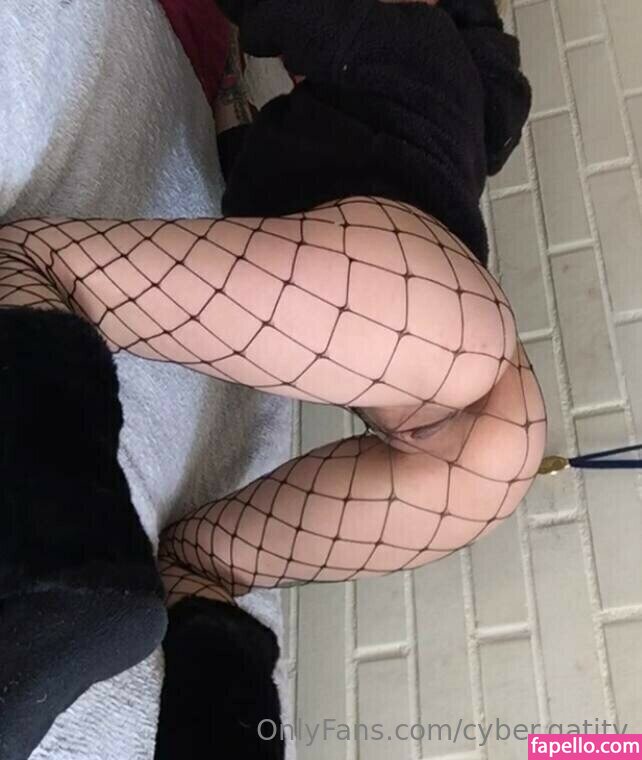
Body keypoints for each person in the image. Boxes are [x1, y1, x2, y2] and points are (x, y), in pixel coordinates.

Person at [0, 0, 544, 757]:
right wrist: (233, 105)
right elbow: (277, 217)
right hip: (496, 444)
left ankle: (56, 565)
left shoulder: (404, 29)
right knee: (201, 564)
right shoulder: (453, 109)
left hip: (425, 317)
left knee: (24, 263)